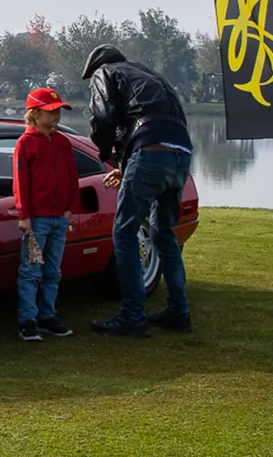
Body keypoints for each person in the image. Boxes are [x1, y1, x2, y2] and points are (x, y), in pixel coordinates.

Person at [83, 44, 195, 337]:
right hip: (181, 153)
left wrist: (107, 155)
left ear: (96, 66)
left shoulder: (105, 73)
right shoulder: (151, 76)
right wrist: (129, 161)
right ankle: (178, 311)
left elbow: (104, 117)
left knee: (124, 231)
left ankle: (132, 315)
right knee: (164, 233)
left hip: (149, 152)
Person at [13, 87, 80, 341]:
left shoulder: (63, 142)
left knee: (53, 270)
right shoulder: (25, 143)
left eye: (58, 112)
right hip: (36, 221)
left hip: (59, 220)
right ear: (34, 113)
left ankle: (47, 315)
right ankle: (27, 319)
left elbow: (72, 177)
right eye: (51, 112)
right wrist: (25, 215)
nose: (56, 117)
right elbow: (20, 182)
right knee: (31, 270)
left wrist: (70, 208)